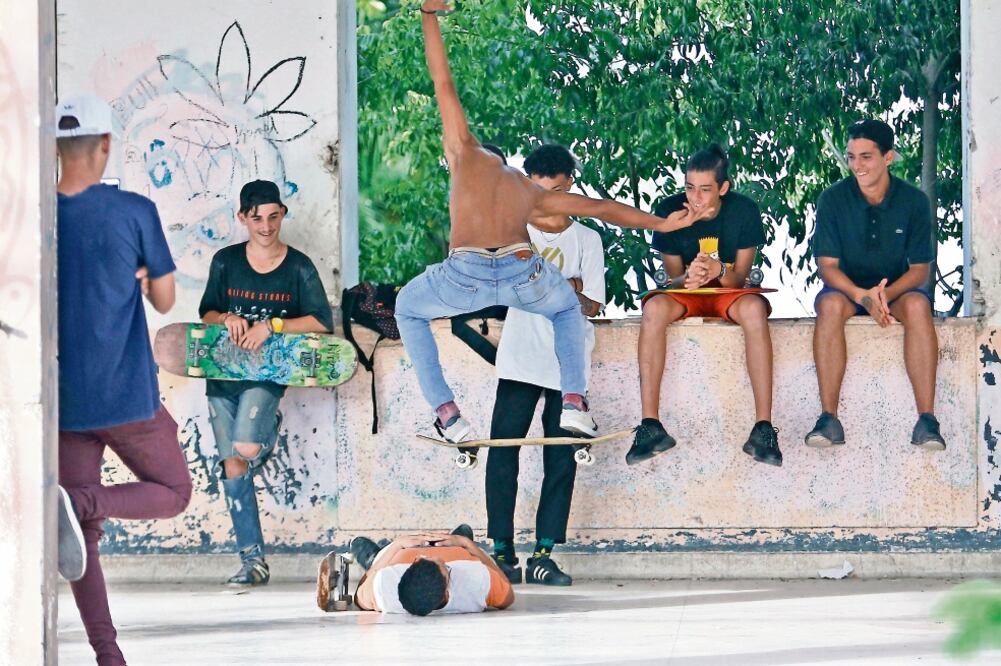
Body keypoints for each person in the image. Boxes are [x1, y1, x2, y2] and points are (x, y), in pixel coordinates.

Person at [395, 1, 701, 445]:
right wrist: (664, 224)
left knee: (407, 308)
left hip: (465, 275)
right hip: (522, 272)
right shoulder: (529, 190)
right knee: (563, 310)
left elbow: (443, 82)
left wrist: (427, 15)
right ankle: (574, 402)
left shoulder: (464, 152)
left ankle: (447, 413)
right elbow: (601, 208)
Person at [55, 93, 193, 666]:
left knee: (82, 545)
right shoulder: (134, 211)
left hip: (61, 404)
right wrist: (140, 276)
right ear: (106, 144)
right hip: (128, 396)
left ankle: (107, 655)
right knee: (175, 492)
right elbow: (165, 299)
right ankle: (87, 500)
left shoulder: (38, 214)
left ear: (55, 148)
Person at [198, 180, 334, 586]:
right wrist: (229, 319)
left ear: (283, 215)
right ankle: (252, 561)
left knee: (247, 446)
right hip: (223, 374)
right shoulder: (225, 261)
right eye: (256, 217)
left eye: (273, 216)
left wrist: (271, 326)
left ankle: (267, 430)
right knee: (233, 465)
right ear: (242, 218)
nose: (265, 225)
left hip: (268, 374)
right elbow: (207, 311)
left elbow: (321, 323)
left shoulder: (299, 267)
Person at [486, 144, 605, 586]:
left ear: (570, 186)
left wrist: (551, 288)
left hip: (567, 367)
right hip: (518, 358)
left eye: (554, 191)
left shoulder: (587, 240)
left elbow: (591, 305)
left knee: (562, 459)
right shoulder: (513, 234)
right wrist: (565, 286)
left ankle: (544, 554)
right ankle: (501, 552)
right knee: (502, 454)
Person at [628, 144, 781, 467]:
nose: (695, 197)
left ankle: (763, 427)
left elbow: (740, 278)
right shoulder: (670, 210)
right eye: (690, 188)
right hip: (688, 293)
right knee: (653, 309)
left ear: (723, 188)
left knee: (754, 309)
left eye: (705, 189)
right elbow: (671, 280)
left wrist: (718, 271)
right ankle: (650, 424)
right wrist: (690, 276)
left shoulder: (743, 211)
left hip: (728, 293)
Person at [807, 119, 945, 450]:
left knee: (918, 304)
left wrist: (881, 297)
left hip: (896, 292)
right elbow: (826, 266)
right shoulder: (833, 200)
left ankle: (926, 420)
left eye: (866, 156)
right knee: (827, 304)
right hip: (847, 291)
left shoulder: (914, 201)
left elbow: (920, 271)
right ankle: (829, 419)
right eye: (851, 156)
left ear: (888, 157)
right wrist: (861, 296)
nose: (857, 165)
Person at [350, 525, 515, 615]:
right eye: (445, 567)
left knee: (369, 553)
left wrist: (397, 545)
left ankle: (374, 556)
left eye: (421, 560)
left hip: (396, 553)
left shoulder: (384, 587)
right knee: (464, 531)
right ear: (447, 592)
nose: (434, 556)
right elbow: (507, 592)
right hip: (459, 548)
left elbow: (360, 593)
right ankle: (459, 535)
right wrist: (465, 543)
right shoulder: (479, 582)